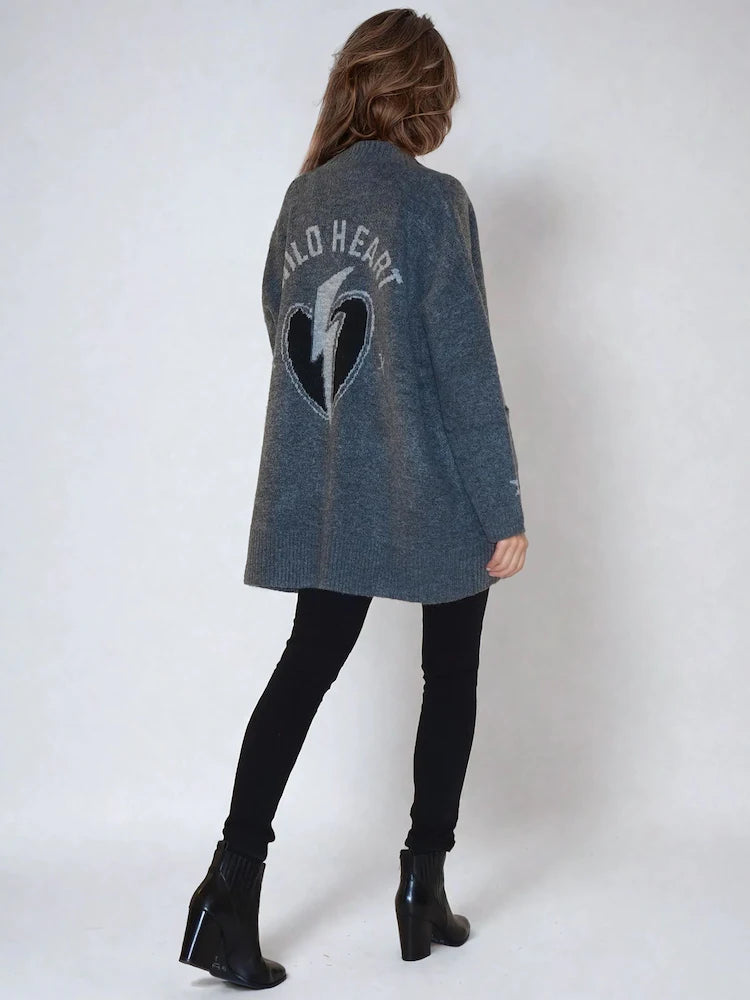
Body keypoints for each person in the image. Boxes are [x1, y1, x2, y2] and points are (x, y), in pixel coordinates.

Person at [179, 7, 529, 988]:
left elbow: (279, 320)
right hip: (435, 481)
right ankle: (422, 885)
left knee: (306, 665)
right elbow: (464, 365)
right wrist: (501, 504)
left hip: (334, 486)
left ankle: (227, 890)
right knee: (449, 674)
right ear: (424, 96)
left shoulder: (303, 200)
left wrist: (348, 428)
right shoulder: (434, 201)